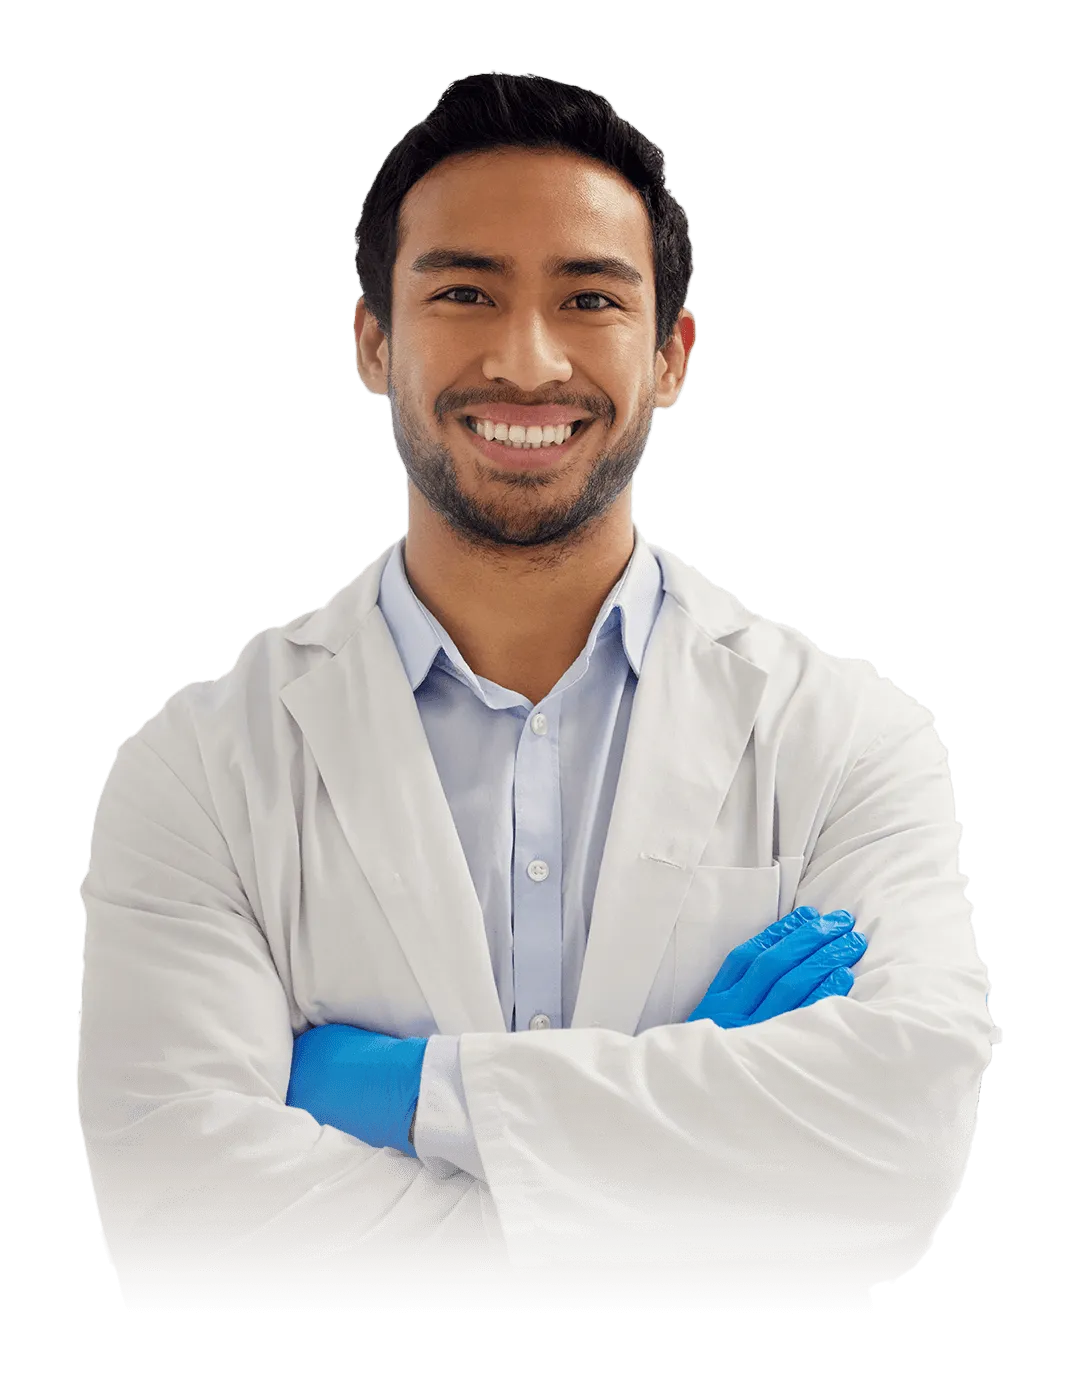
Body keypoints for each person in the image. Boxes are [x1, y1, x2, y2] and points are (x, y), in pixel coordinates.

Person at [78, 73, 993, 1317]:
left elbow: (905, 1145)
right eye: (463, 292)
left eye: (590, 298)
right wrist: (705, 1131)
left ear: (672, 353)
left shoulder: (843, 737)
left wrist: (409, 1095)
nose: (526, 358)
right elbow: (180, 1214)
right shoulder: (198, 765)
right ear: (372, 341)